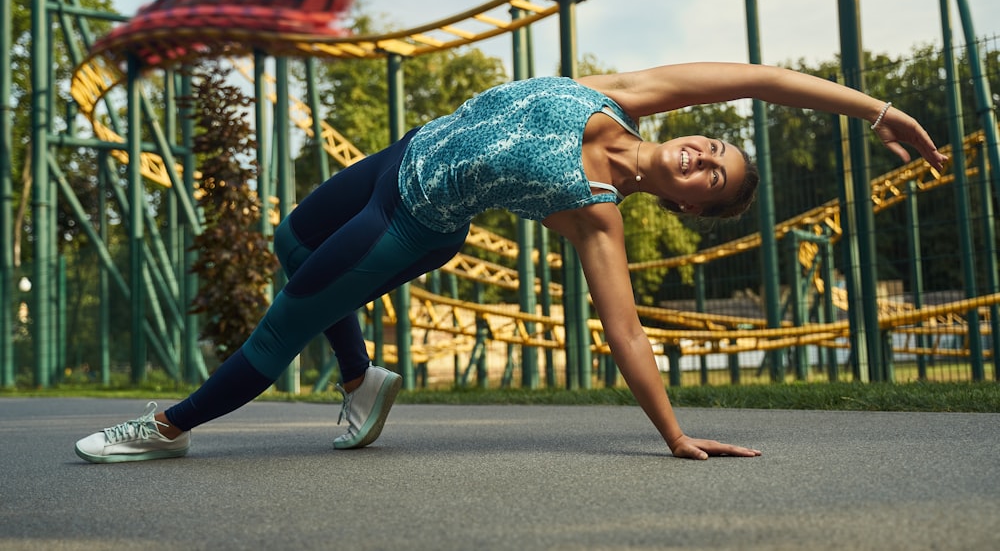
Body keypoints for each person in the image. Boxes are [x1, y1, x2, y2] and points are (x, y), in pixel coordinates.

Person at [74, 62, 947, 463]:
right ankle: (360, 380)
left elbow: (627, 333)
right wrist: (875, 113)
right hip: (400, 153)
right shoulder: (628, 95)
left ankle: (168, 427)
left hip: (409, 219)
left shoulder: (595, 215)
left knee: (286, 315)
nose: (705, 157)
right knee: (291, 240)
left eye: (714, 180)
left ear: (690, 206)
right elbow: (761, 80)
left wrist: (675, 436)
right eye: (712, 146)